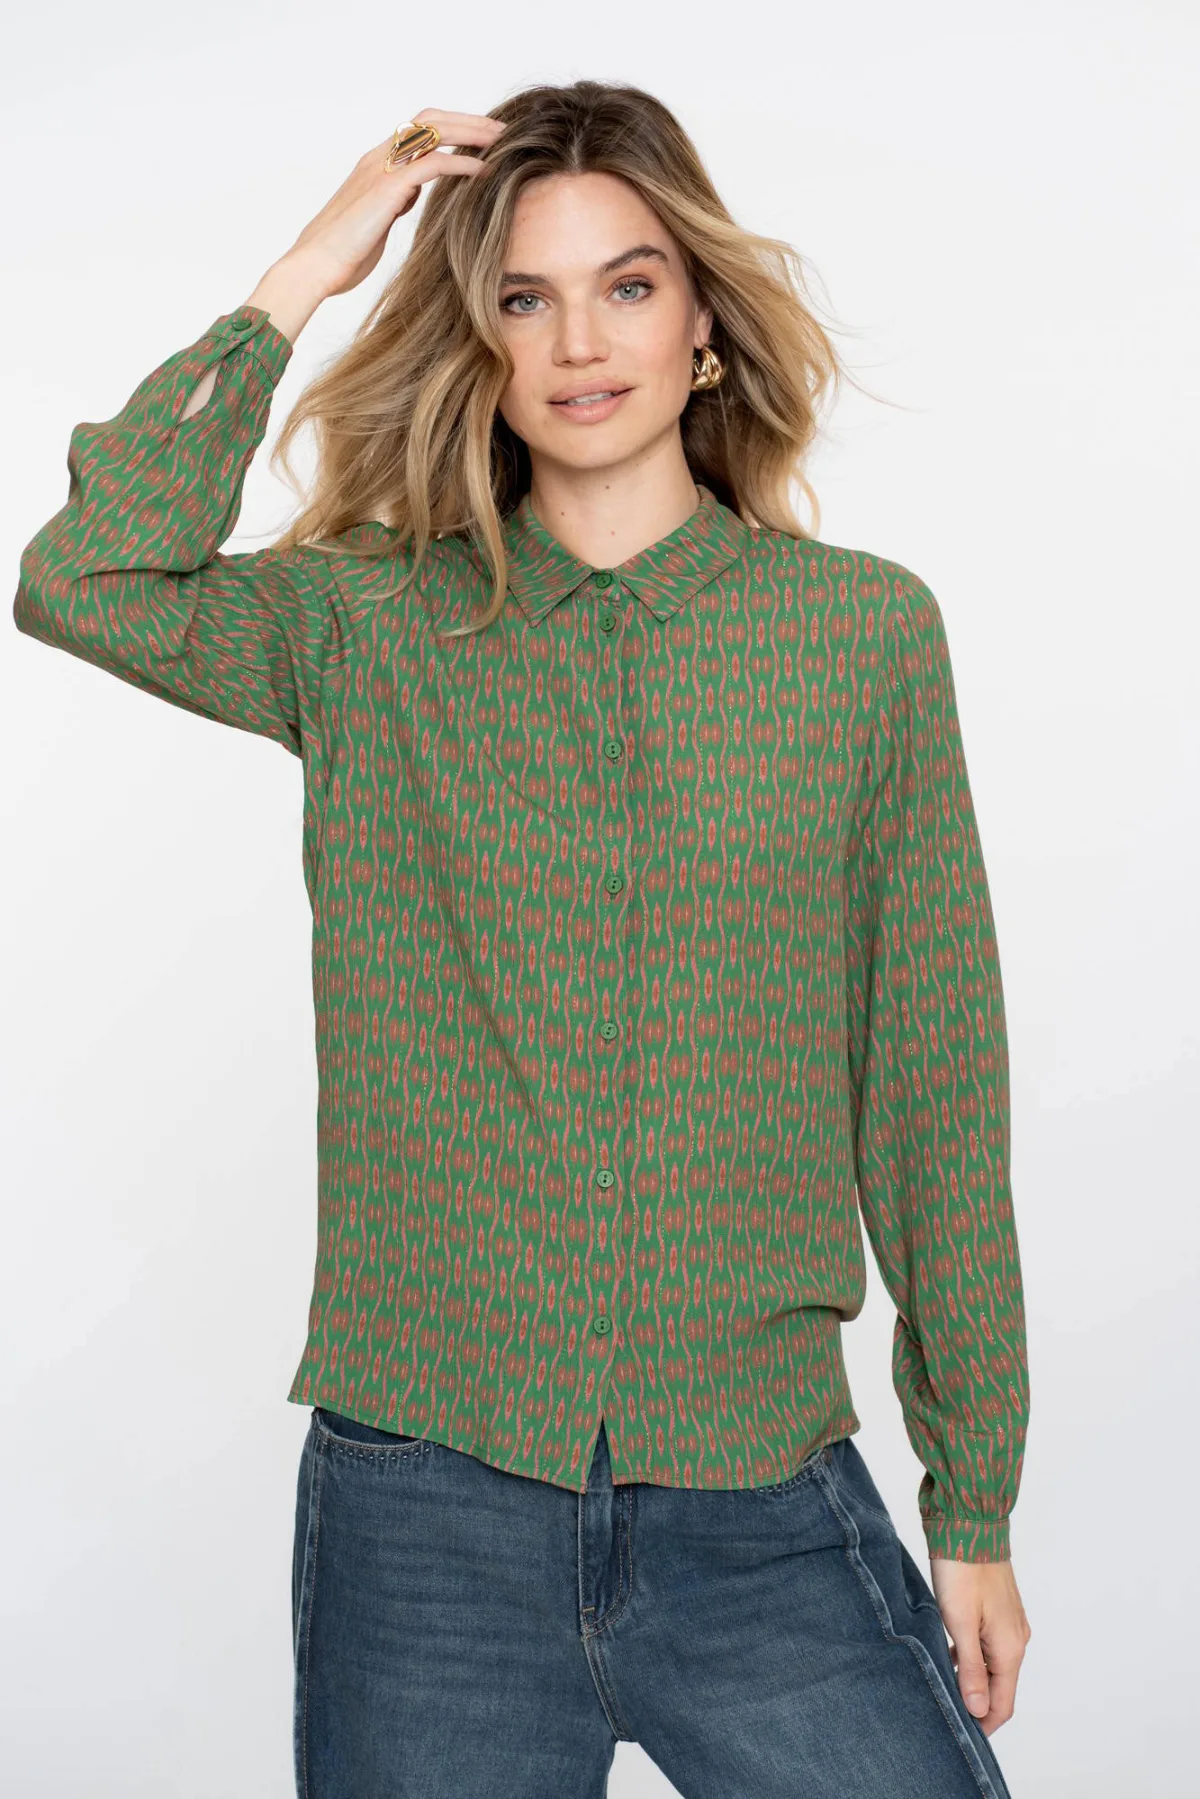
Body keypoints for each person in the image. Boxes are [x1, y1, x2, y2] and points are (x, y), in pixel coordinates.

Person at [13, 79, 1031, 1799]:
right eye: (522, 296)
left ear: (702, 321)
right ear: (476, 343)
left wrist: (975, 1494)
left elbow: (931, 1078)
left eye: (628, 284)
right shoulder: (365, 627)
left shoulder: (859, 638)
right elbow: (84, 575)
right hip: (429, 1505)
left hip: (760, 1488)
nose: (580, 342)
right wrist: (310, 267)